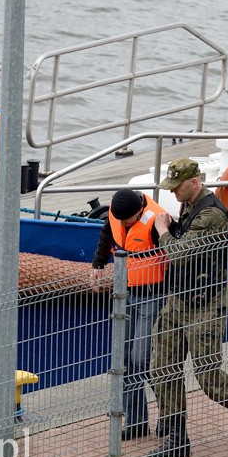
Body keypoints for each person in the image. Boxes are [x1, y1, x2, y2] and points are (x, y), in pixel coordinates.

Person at [147, 158, 228, 457]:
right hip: (179, 299)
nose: (173, 193)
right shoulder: (188, 205)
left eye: (177, 187)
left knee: (207, 375)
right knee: (162, 368)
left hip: (206, 303)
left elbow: (180, 253)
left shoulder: (212, 214)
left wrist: (163, 230)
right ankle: (177, 437)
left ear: (194, 182)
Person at [91, 188, 168, 440]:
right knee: (124, 361)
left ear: (139, 212)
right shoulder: (117, 214)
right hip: (125, 295)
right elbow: (107, 234)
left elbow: (175, 255)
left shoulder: (157, 221)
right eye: (120, 220)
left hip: (153, 295)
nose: (123, 224)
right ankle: (135, 423)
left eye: (127, 221)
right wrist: (98, 264)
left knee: (142, 359)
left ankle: (171, 416)